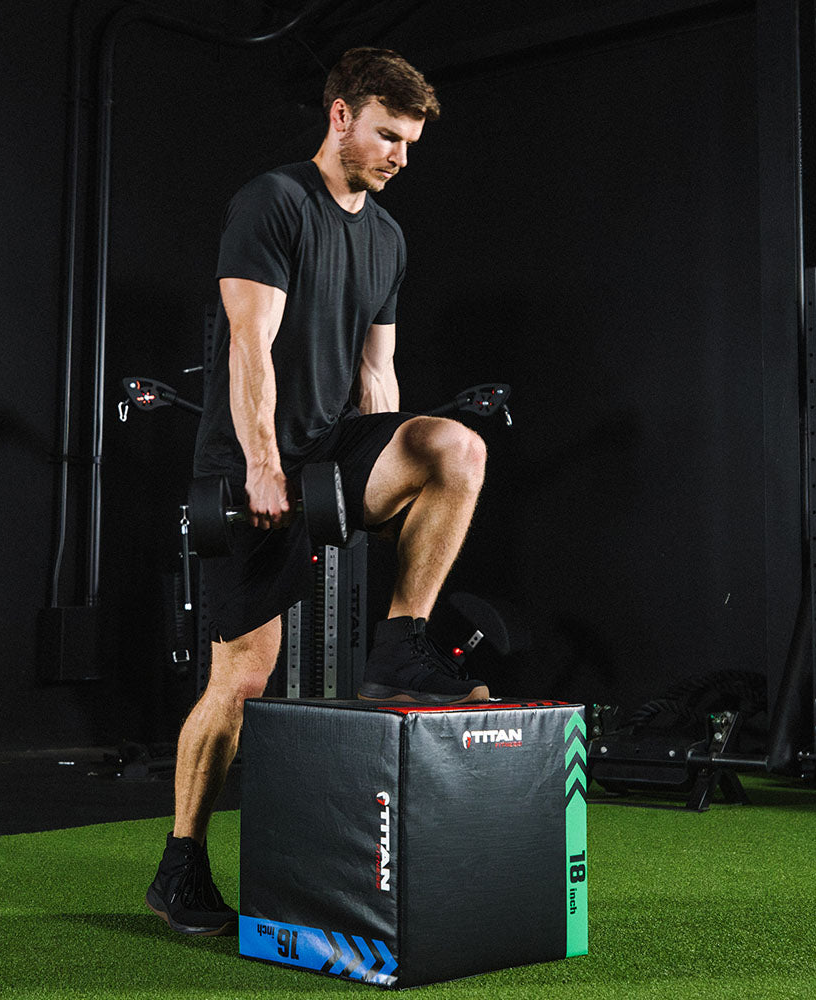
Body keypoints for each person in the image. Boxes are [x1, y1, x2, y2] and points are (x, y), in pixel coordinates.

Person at [146, 47, 488, 938]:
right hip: (250, 461)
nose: (400, 157)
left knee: (454, 446)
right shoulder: (274, 201)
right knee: (241, 680)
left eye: (410, 143)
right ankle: (181, 862)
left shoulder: (388, 237)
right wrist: (262, 463)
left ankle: (401, 645)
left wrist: (393, 480)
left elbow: (377, 376)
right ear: (340, 116)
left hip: (333, 451)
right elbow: (249, 344)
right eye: (388, 136)